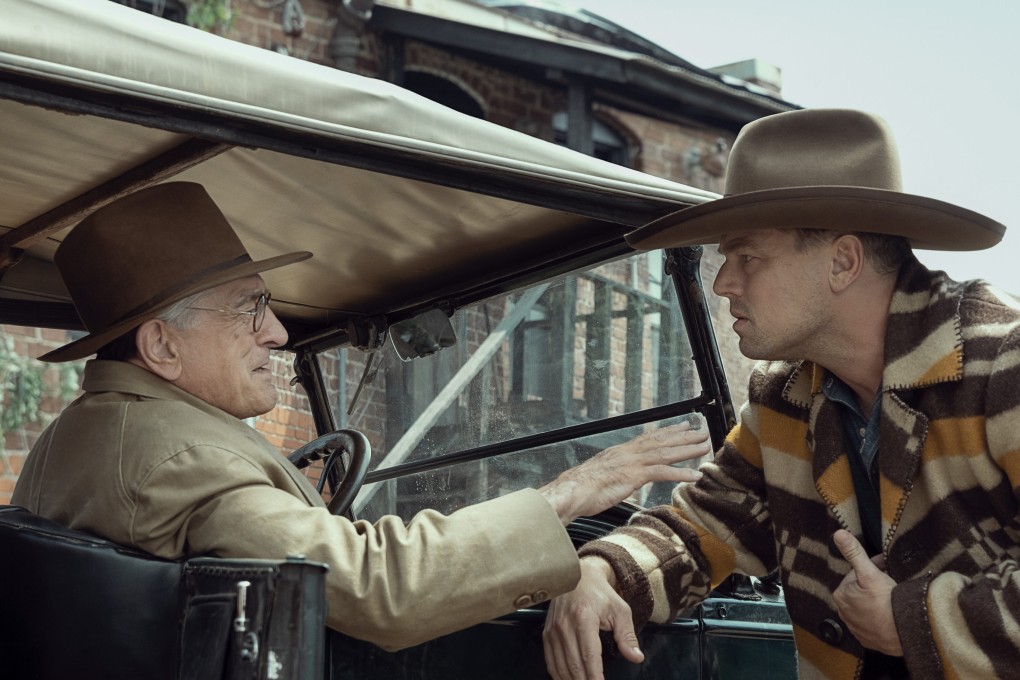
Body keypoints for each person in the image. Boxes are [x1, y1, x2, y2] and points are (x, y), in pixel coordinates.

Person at [10, 182, 713, 650]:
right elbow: (382, 590)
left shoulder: (82, 436)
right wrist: (568, 494)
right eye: (250, 309)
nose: (278, 334)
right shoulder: (183, 459)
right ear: (162, 344)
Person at [542, 108, 1019, 680]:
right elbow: (703, 529)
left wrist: (915, 621)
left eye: (748, 257)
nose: (722, 282)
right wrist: (600, 573)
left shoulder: (1003, 363)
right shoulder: (785, 396)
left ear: (843, 262)